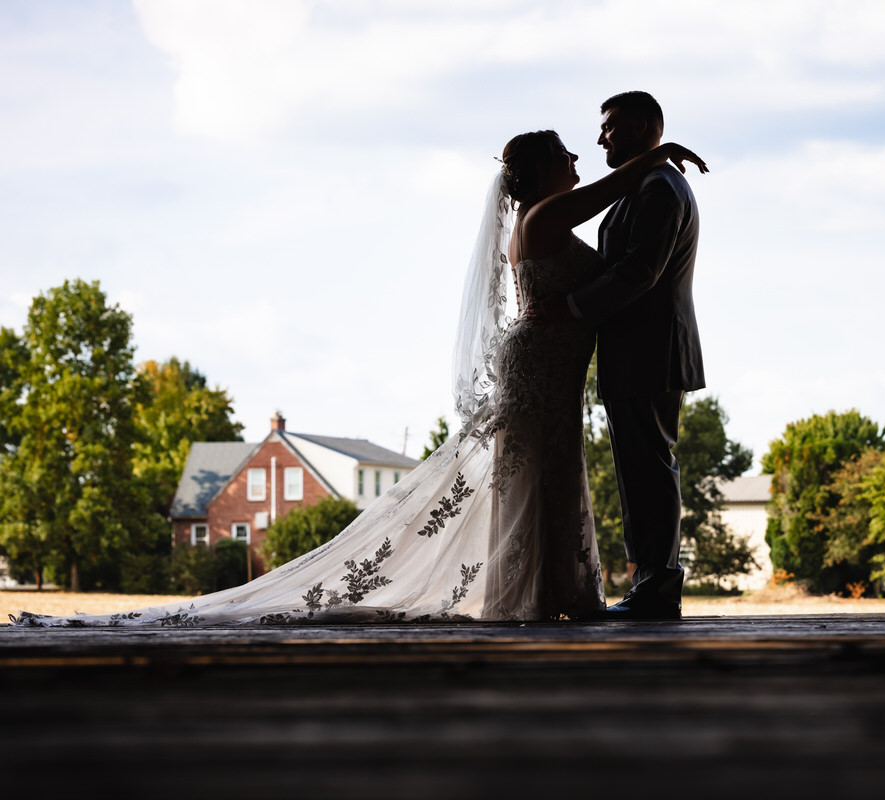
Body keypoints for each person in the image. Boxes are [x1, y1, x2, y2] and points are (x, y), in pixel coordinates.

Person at [8, 129, 705, 628]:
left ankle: (547, 588)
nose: (581, 157)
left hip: (546, 363)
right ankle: (533, 592)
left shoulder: (539, 213)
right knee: (536, 470)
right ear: (539, 170)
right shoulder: (547, 213)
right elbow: (614, 194)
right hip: (541, 364)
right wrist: (656, 154)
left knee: (544, 471)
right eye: (565, 152)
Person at [551, 91, 705, 621]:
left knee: (650, 468)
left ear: (642, 127)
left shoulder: (659, 188)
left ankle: (658, 587)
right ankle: (651, 581)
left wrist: (568, 307)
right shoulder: (647, 182)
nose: (600, 138)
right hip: (638, 350)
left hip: (651, 349)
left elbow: (640, 272)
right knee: (641, 468)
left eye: (610, 127)